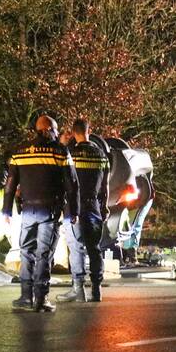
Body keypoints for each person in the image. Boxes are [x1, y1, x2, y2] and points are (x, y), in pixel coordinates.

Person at [0, 114, 79, 312]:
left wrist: (7, 210)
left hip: (28, 211)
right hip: (49, 212)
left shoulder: (20, 152)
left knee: (26, 252)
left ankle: (26, 296)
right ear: (49, 130)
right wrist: (73, 211)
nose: (58, 134)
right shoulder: (60, 152)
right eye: (56, 130)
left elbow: (10, 185)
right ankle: (41, 299)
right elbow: (72, 185)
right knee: (44, 253)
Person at [57, 119, 110, 302]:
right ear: (89, 131)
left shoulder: (71, 154)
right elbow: (105, 187)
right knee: (94, 249)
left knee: (76, 248)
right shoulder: (101, 155)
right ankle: (96, 289)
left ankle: (78, 289)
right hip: (94, 207)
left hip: (74, 209)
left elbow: (64, 182)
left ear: (73, 133)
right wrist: (104, 208)